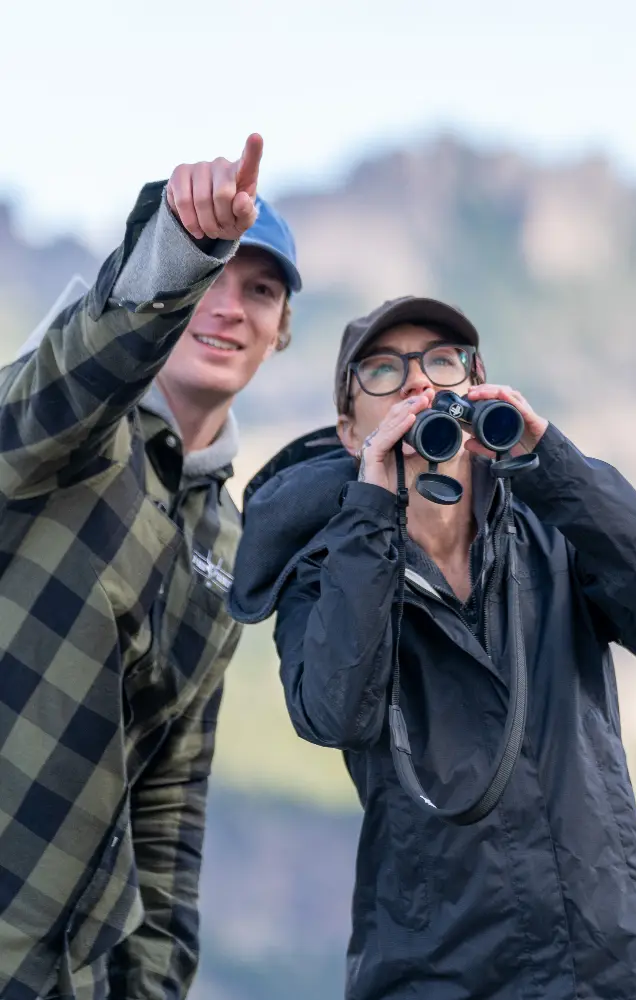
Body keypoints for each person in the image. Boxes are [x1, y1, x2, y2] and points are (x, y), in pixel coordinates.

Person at [228, 295, 636, 1000]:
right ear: (349, 431)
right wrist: (373, 508)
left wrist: (549, 462)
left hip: (606, 973)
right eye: (382, 370)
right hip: (436, 976)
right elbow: (333, 714)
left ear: (476, 385)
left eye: (441, 361)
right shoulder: (326, 570)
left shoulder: (553, 532)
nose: (415, 382)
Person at [0, 133, 301, 1000]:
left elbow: (169, 809)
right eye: (217, 277)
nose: (230, 305)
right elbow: (85, 356)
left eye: (262, 290)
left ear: (280, 332)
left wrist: (153, 987)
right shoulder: (63, 431)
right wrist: (179, 248)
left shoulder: (230, 548)